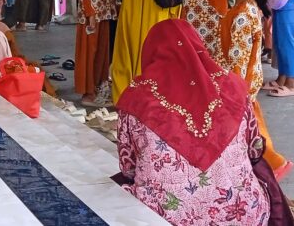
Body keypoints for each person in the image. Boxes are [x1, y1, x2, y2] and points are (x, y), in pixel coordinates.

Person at [116, 20, 272, 225]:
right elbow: (255, 149)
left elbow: (128, 168)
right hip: (245, 216)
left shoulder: (137, 98)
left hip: (162, 219)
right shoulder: (233, 87)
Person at [220, 0, 293, 180]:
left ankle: (271, 164)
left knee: (247, 129)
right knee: (251, 126)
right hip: (246, 79)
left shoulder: (243, 14)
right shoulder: (246, 7)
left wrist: (233, 88)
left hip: (241, 81)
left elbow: (238, 59)